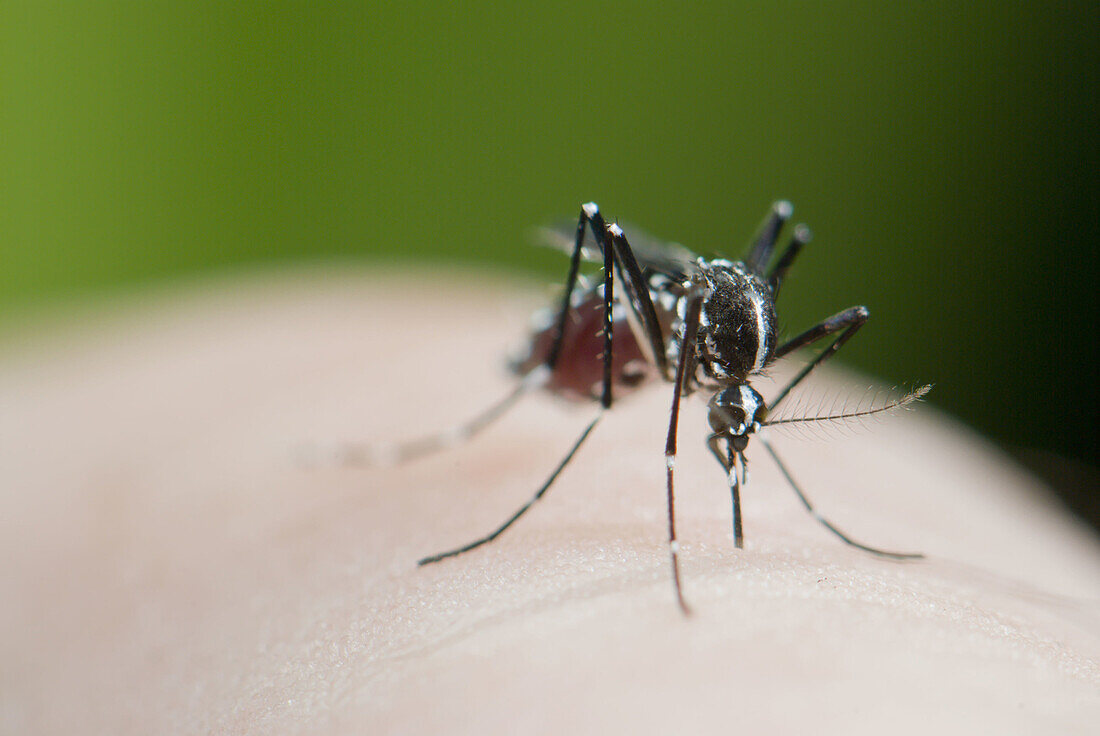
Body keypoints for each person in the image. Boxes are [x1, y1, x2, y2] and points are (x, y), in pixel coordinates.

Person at [2, 273, 1097, 732]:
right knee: (631, 251)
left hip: (685, 343)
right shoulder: (692, 363)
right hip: (606, 336)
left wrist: (780, 470)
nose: (731, 434)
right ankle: (502, 459)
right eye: (734, 425)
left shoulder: (749, 371)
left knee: (795, 274)